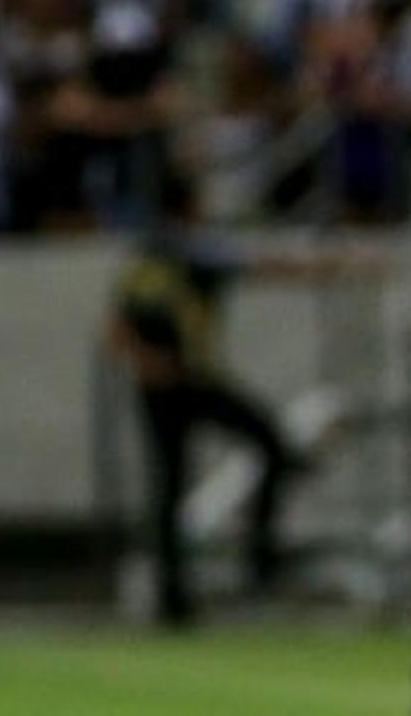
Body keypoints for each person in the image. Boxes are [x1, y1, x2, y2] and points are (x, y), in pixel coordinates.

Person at [106, 175, 355, 627]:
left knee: (185, 481)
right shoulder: (182, 253)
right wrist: (331, 265)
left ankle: (188, 592)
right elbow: (261, 266)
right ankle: (244, 567)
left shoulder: (147, 257)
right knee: (256, 450)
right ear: (189, 210)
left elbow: (117, 327)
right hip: (180, 383)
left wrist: (143, 363)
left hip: (183, 382)